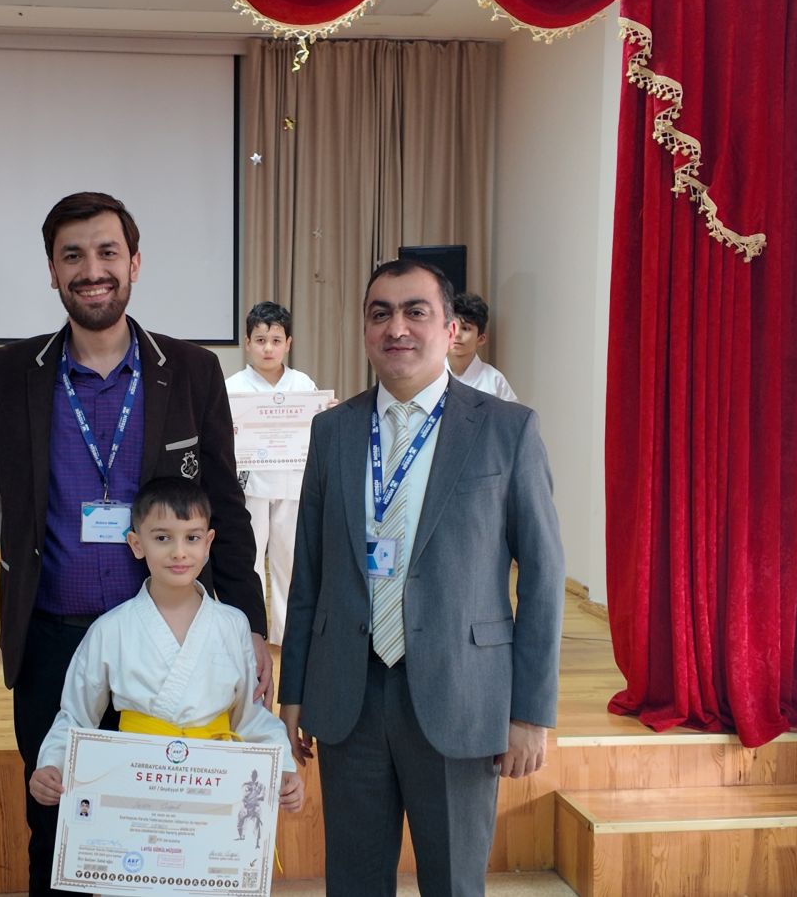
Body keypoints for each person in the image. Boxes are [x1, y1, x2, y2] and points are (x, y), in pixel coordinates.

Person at [0, 192, 270, 896]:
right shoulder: (11, 371)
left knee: (168, 839)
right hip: (52, 643)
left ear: (134, 263)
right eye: (73, 255)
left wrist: (251, 625)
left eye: (107, 252)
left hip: (164, 643)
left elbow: (225, 502)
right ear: (52, 271)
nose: (91, 270)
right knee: (57, 829)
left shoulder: (191, 369)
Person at [278, 259, 564, 896]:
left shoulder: (508, 429)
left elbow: (545, 577)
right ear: (365, 329)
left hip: (462, 695)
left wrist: (530, 712)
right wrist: (293, 687)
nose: (397, 327)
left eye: (416, 311)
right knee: (353, 884)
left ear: (451, 328)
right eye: (380, 313)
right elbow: (310, 570)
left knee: (455, 884)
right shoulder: (332, 431)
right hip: (349, 694)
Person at [27, 477, 301, 819]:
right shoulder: (111, 629)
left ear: (208, 542)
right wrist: (52, 765)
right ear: (136, 543)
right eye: (162, 538)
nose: (179, 552)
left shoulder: (233, 625)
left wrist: (283, 766)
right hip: (134, 784)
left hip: (213, 784)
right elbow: (76, 716)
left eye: (192, 538)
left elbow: (251, 717)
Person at [223, 301, 319, 646]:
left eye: (276, 341)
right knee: (248, 561)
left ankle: (285, 637)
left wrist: (327, 413)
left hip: (292, 483)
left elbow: (316, 429)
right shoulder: (232, 386)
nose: (268, 348)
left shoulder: (303, 384)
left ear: (288, 344)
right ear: (247, 342)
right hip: (249, 485)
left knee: (288, 561)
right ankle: (251, 633)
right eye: (260, 340)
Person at [446, 292, 517, 402]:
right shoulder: (429, 376)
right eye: (452, 327)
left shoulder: (495, 381)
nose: (457, 334)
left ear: (481, 339)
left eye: (466, 328)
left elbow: (514, 413)